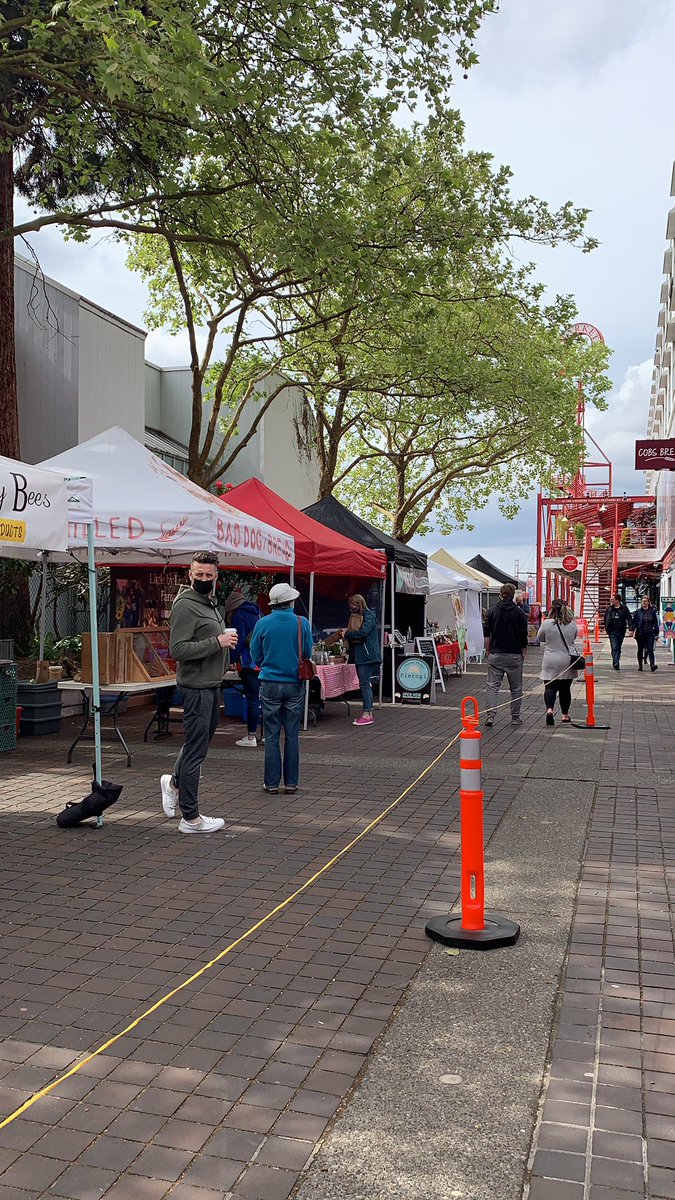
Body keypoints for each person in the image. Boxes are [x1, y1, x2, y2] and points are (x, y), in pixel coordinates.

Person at [160, 552, 237, 833]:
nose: (204, 579)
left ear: (216, 576)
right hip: (196, 688)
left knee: (196, 746)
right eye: (199, 574)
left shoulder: (210, 603)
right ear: (189, 574)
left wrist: (222, 645)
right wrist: (217, 641)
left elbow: (206, 642)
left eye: (209, 575)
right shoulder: (185, 606)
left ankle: (173, 784)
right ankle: (190, 818)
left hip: (211, 685)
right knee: (196, 752)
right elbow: (178, 650)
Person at [249, 582, 312, 795]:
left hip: (269, 682)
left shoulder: (262, 623)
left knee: (272, 734)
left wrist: (266, 663)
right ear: (291, 601)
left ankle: (272, 783)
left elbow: (255, 654)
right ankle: (291, 782)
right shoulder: (302, 623)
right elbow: (308, 653)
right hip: (294, 682)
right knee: (292, 735)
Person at [483, 583, 528, 728]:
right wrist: (523, 652)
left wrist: (488, 651)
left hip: (496, 654)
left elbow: (487, 635)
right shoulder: (520, 613)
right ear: (513, 595)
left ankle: (490, 716)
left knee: (492, 687)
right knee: (516, 688)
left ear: (500, 594)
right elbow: (523, 635)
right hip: (514, 654)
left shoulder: (491, 612)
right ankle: (515, 717)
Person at [224, 588, 263, 746]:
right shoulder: (258, 613)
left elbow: (237, 641)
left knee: (252, 700)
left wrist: (232, 659)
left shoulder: (239, 615)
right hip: (262, 662)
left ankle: (251, 737)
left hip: (248, 663)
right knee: (264, 701)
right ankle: (267, 735)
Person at [340, 594, 382, 727]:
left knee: (364, 684)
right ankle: (368, 713)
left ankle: (367, 714)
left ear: (358, 604)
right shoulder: (366, 615)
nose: (350, 607)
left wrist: (347, 634)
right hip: (364, 654)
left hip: (366, 655)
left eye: (352, 604)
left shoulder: (369, 615)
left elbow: (363, 632)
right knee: (365, 684)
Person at [537, 599, 579, 725]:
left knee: (549, 687)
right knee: (565, 689)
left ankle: (549, 710)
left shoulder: (547, 623)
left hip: (550, 659)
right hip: (567, 660)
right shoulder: (571, 623)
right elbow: (574, 637)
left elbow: (540, 638)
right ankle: (565, 715)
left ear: (551, 608)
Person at [604, 593, 633, 670]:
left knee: (618, 647)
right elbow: (605, 619)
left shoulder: (624, 608)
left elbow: (629, 618)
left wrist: (630, 629)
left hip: (621, 630)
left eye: (612, 599)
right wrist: (607, 628)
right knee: (615, 646)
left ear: (617, 600)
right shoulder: (609, 609)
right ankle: (616, 662)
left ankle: (616, 660)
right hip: (612, 631)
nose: (611, 600)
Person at [633, 596, 659, 672]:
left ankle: (652, 664)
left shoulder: (652, 611)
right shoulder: (638, 611)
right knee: (640, 649)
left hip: (650, 632)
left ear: (648, 602)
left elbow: (655, 622)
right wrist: (633, 630)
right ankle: (640, 665)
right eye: (642, 601)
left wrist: (656, 633)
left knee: (650, 649)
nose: (643, 603)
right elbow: (635, 622)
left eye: (645, 601)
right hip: (640, 633)